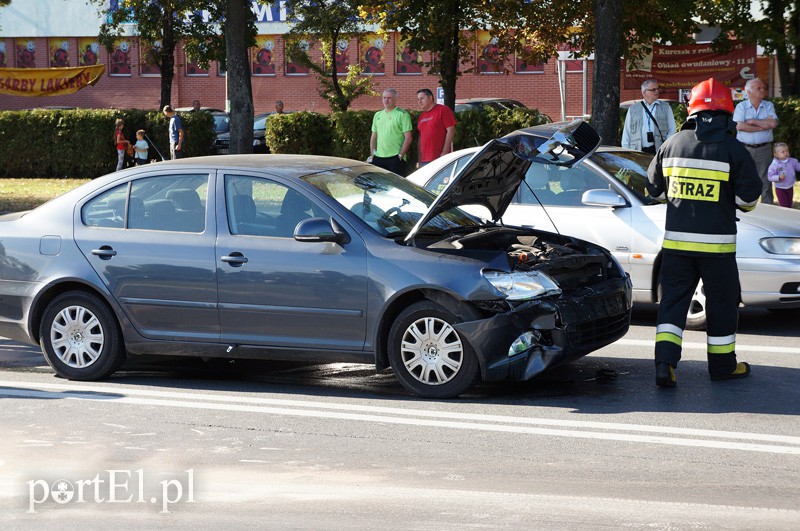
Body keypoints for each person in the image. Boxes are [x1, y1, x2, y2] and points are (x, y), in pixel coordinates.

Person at [646, 77, 762, 388]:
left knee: (672, 303)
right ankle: (722, 368)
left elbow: (654, 191)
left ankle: (664, 365)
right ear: (728, 113)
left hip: (677, 247)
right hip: (718, 250)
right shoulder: (734, 150)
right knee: (721, 305)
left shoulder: (672, 144)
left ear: (691, 111)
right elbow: (748, 201)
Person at [733, 78, 779, 205]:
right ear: (748, 91)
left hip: (764, 149)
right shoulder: (741, 106)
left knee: (766, 182)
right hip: (744, 149)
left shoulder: (769, 106)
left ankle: (768, 208)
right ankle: (742, 208)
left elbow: (773, 123)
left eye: (763, 88)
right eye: (759, 88)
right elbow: (739, 126)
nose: (763, 90)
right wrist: (763, 126)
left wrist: (752, 122)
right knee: (743, 179)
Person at [621, 79, 676, 154]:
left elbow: (672, 129)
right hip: (637, 151)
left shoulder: (666, 107)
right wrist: (626, 152)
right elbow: (626, 132)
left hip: (659, 151)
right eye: (653, 89)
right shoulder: (633, 108)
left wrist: (667, 147)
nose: (657, 91)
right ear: (644, 92)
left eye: (657, 89)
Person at [369, 89, 413, 176]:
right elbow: (373, 137)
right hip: (378, 158)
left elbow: (408, 138)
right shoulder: (377, 115)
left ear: (395, 99)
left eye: (389, 98)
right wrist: (373, 154)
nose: (386, 100)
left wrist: (400, 156)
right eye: (384, 98)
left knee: (397, 187)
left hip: (395, 158)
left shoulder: (403, 114)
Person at [416, 88, 456, 167]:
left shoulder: (443, 110)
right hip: (424, 161)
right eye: (418, 99)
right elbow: (421, 138)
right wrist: (419, 160)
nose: (419, 101)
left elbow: (451, 131)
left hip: (440, 158)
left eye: (422, 98)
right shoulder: (421, 116)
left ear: (430, 98)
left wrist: (444, 153)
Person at [768, 142, 800, 208]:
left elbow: (798, 167)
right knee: (784, 205)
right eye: (783, 152)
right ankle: (785, 215)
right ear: (776, 155)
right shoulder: (774, 165)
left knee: (789, 203)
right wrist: (778, 177)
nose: (786, 153)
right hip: (780, 188)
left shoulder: (792, 161)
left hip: (790, 186)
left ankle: (789, 214)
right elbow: (770, 176)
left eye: (787, 151)